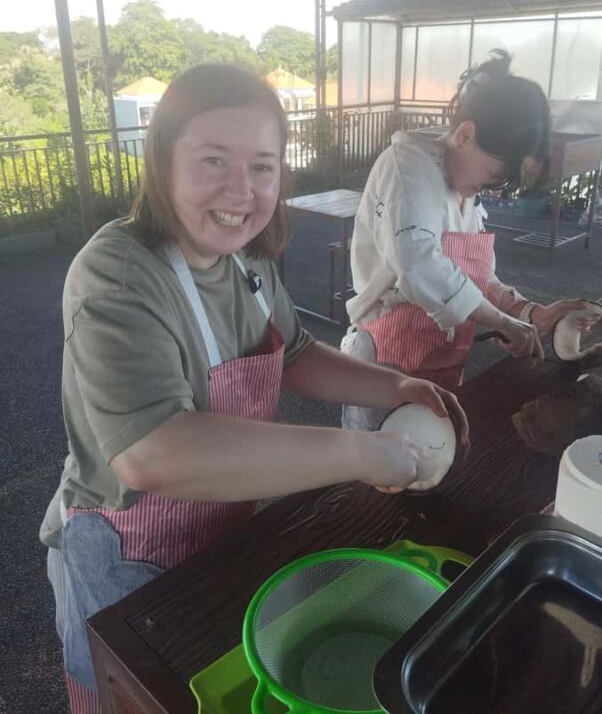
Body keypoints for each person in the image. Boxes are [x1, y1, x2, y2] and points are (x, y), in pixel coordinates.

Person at [40, 64, 469, 714]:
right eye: (214, 161)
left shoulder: (250, 257)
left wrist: (396, 385)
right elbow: (152, 454)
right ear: (162, 161)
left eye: (263, 167)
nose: (241, 191)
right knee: (133, 693)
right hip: (131, 550)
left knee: (212, 680)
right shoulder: (118, 274)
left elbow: (294, 354)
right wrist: (358, 455)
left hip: (226, 522)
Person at [342, 50, 601, 431]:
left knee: (433, 459)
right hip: (385, 356)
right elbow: (418, 264)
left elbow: (478, 279)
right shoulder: (408, 168)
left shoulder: (465, 186)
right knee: (373, 471)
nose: (496, 188)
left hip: (442, 356)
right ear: (465, 133)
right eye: (496, 172)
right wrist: (500, 321)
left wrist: (529, 313)